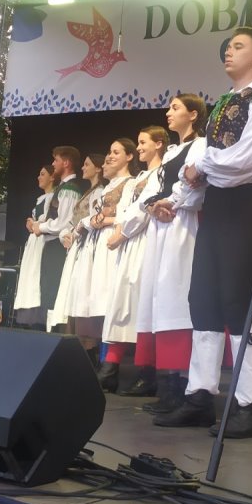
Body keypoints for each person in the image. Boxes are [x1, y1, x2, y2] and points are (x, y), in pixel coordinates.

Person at [154, 27, 252, 438]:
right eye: (227, 46)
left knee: (238, 302)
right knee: (204, 300)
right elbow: (204, 166)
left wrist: (202, 168)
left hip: (248, 206)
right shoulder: (223, 104)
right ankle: (200, 396)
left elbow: (246, 160)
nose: (229, 52)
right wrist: (178, 198)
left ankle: (248, 405)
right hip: (218, 207)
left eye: (238, 46)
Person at [132, 94, 207, 413]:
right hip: (162, 228)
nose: (168, 112)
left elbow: (196, 188)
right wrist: (153, 206)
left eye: (175, 108)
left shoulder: (201, 146)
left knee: (178, 299)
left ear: (193, 114)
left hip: (182, 227)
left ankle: (187, 389)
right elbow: (153, 191)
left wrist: (170, 203)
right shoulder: (173, 151)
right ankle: (169, 387)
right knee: (160, 300)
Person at [99, 125, 169, 394]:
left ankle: (148, 373)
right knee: (121, 304)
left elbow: (144, 209)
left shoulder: (161, 173)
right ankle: (110, 369)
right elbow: (126, 209)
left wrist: (122, 232)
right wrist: (120, 228)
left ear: (158, 144)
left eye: (143, 143)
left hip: (144, 241)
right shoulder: (139, 177)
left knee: (140, 306)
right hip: (129, 242)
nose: (138, 148)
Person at [70, 139, 137, 368]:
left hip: (112, 242)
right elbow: (94, 217)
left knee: (109, 299)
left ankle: (109, 362)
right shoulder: (107, 188)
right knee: (93, 299)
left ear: (129, 156)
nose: (109, 156)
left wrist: (103, 220)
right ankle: (92, 358)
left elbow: (130, 214)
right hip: (96, 244)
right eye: (109, 152)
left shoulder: (131, 183)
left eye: (116, 152)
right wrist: (87, 223)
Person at [14, 147, 82, 328]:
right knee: (47, 287)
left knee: (51, 288)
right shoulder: (63, 188)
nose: (53, 164)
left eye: (56, 160)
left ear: (66, 163)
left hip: (57, 245)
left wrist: (40, 226)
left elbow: (64, 222)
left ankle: (51, 329)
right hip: (50, 243)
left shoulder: (69, 189)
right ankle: (46, 327)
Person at [46, 153, 106, 354]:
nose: (83, 168)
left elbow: (93, 219)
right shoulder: (89, 192)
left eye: (87, 164)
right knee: (73, 294)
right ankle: (75, 346)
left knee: (83, 294)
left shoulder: (99, 192)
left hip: (88, 246)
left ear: (98, 168)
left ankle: (89, 347)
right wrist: (66, 234)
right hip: (77, 245)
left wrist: (75, 232)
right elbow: (72, 221)